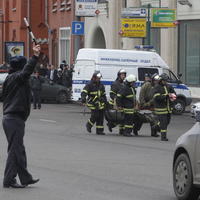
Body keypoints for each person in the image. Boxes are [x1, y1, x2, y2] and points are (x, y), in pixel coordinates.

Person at [2, 43, 41, 188]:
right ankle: (9, 180)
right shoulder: (17, 77)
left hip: (12, 118)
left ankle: (25, 178)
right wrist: (35, 56)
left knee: (18, 149)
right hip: (14, 118)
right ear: (21, 67)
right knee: (14, 150)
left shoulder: (11, 78)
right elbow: (27, 71)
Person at [152, 73, 176, 141]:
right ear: (160, 80)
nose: (165, 82)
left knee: (167, 121)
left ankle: (155, 128)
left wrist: (173, 97)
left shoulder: (169, 86)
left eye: (166, 81)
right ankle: (163, 137)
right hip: (160, 108)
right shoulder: (157, 87)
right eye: (164, 80)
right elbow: (156, 97)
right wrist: (166, 96)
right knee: (163, 123)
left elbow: (174, 94)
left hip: (168, 108)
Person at [107, 69, 126, 134]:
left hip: (122, 103)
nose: (123, 76)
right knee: (117, 118)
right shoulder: (115, 84)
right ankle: (110, 124)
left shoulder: (124, 84)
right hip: (114, 104)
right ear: (119, 75)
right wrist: (116, 100)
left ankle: (121, 130)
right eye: (122, 75)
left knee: (122, 117)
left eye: (124, 75)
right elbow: (112, 94)